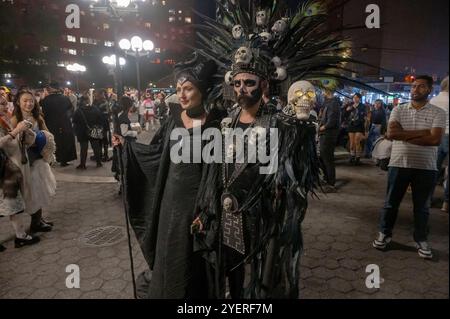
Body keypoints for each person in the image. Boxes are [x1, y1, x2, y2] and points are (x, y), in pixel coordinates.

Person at [115, 54, 223, 299]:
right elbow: (155, 153)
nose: (182, 95)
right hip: (170, 201)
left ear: (203, 90)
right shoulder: (174, 121)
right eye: (178, 90)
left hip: (198, 204)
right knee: (169, 254)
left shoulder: (216, 125)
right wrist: (127, 145)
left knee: (192, 259)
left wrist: (208, 209)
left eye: (188, 89)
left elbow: (216, 171)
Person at [373, 75, 446, 259]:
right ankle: (384, 233)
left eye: (421, 87)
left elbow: (435, 139)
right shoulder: (399, 109)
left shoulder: (438, 112)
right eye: (413, 86)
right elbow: (391, 133)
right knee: (391, 203)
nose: (415, 90)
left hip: (426, 167)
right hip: (399, 163)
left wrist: (403, 134)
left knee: (422, 207)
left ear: (429, 90)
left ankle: (421, 239)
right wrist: (423, 133)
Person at [12, 90, 55, 234]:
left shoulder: (38, 117)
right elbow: (12, 142)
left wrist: (43, 142)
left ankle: (38, 220)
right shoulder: (14, 120)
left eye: (31, 100)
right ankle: (35, 223)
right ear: (18, 102)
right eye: (25, 100)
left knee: (40, 191)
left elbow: (48, 135)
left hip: (39, 160)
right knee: (32, 193)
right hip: (25, 162)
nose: (28, 103)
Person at [1, 96, 40, 249]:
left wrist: (26, 131)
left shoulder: (6, 119)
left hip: (12, 169)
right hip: (5, 171)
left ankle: (21, 235)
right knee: (11, 204)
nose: (6, 106)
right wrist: (16, 130)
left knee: (13, 205)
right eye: (2, 104)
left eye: (6, 103)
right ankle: (21, 236)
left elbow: (19, 142)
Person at [40, 82, 77, 167]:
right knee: (65, 142)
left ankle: (52, 160)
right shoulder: (64, 98)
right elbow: (71, 109)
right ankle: (64, 161)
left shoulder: (45, 100)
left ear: (51, 89)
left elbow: (42, 113)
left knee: (53, 142)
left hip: (51, 124)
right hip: (64, 123)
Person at [430, 76, 449, 211]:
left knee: (433, 169)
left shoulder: (434, 100)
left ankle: (427, 199)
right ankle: (446, 203)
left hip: (435, 135)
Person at [319, 89, 342, 192]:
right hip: (326, 134)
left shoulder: (333, 103)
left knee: (328, 159)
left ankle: (331, 184)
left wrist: (321, 128)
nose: (322, 92)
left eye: (323, 91)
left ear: (327, 91)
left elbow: (332, 122)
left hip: (329, 134)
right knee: (323, 158)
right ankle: (327, 179)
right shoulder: (329, 103)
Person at [72, 95, 104, 169]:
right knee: (96, 147)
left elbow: (74, 121)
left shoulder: (78, 110)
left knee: (83, 148)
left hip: (82, 131)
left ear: (81, 101)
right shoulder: (95, 109)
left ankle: (83, 164)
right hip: (94, 130)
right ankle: (99, 163)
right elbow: (100, 118)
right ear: (88, 101)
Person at [344, 93, 368, 165]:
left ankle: (358, 157)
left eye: (357, 97)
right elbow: (345, 115)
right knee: (351, 143)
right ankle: (352, 156)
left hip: (359, 126)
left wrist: (366, 128)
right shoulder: (350, 106)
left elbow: (363, 115)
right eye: (354, 97)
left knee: (357, 141)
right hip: (351, 125)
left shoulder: (362, 106)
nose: (355, 98)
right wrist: (347, 110)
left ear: (359, 98)